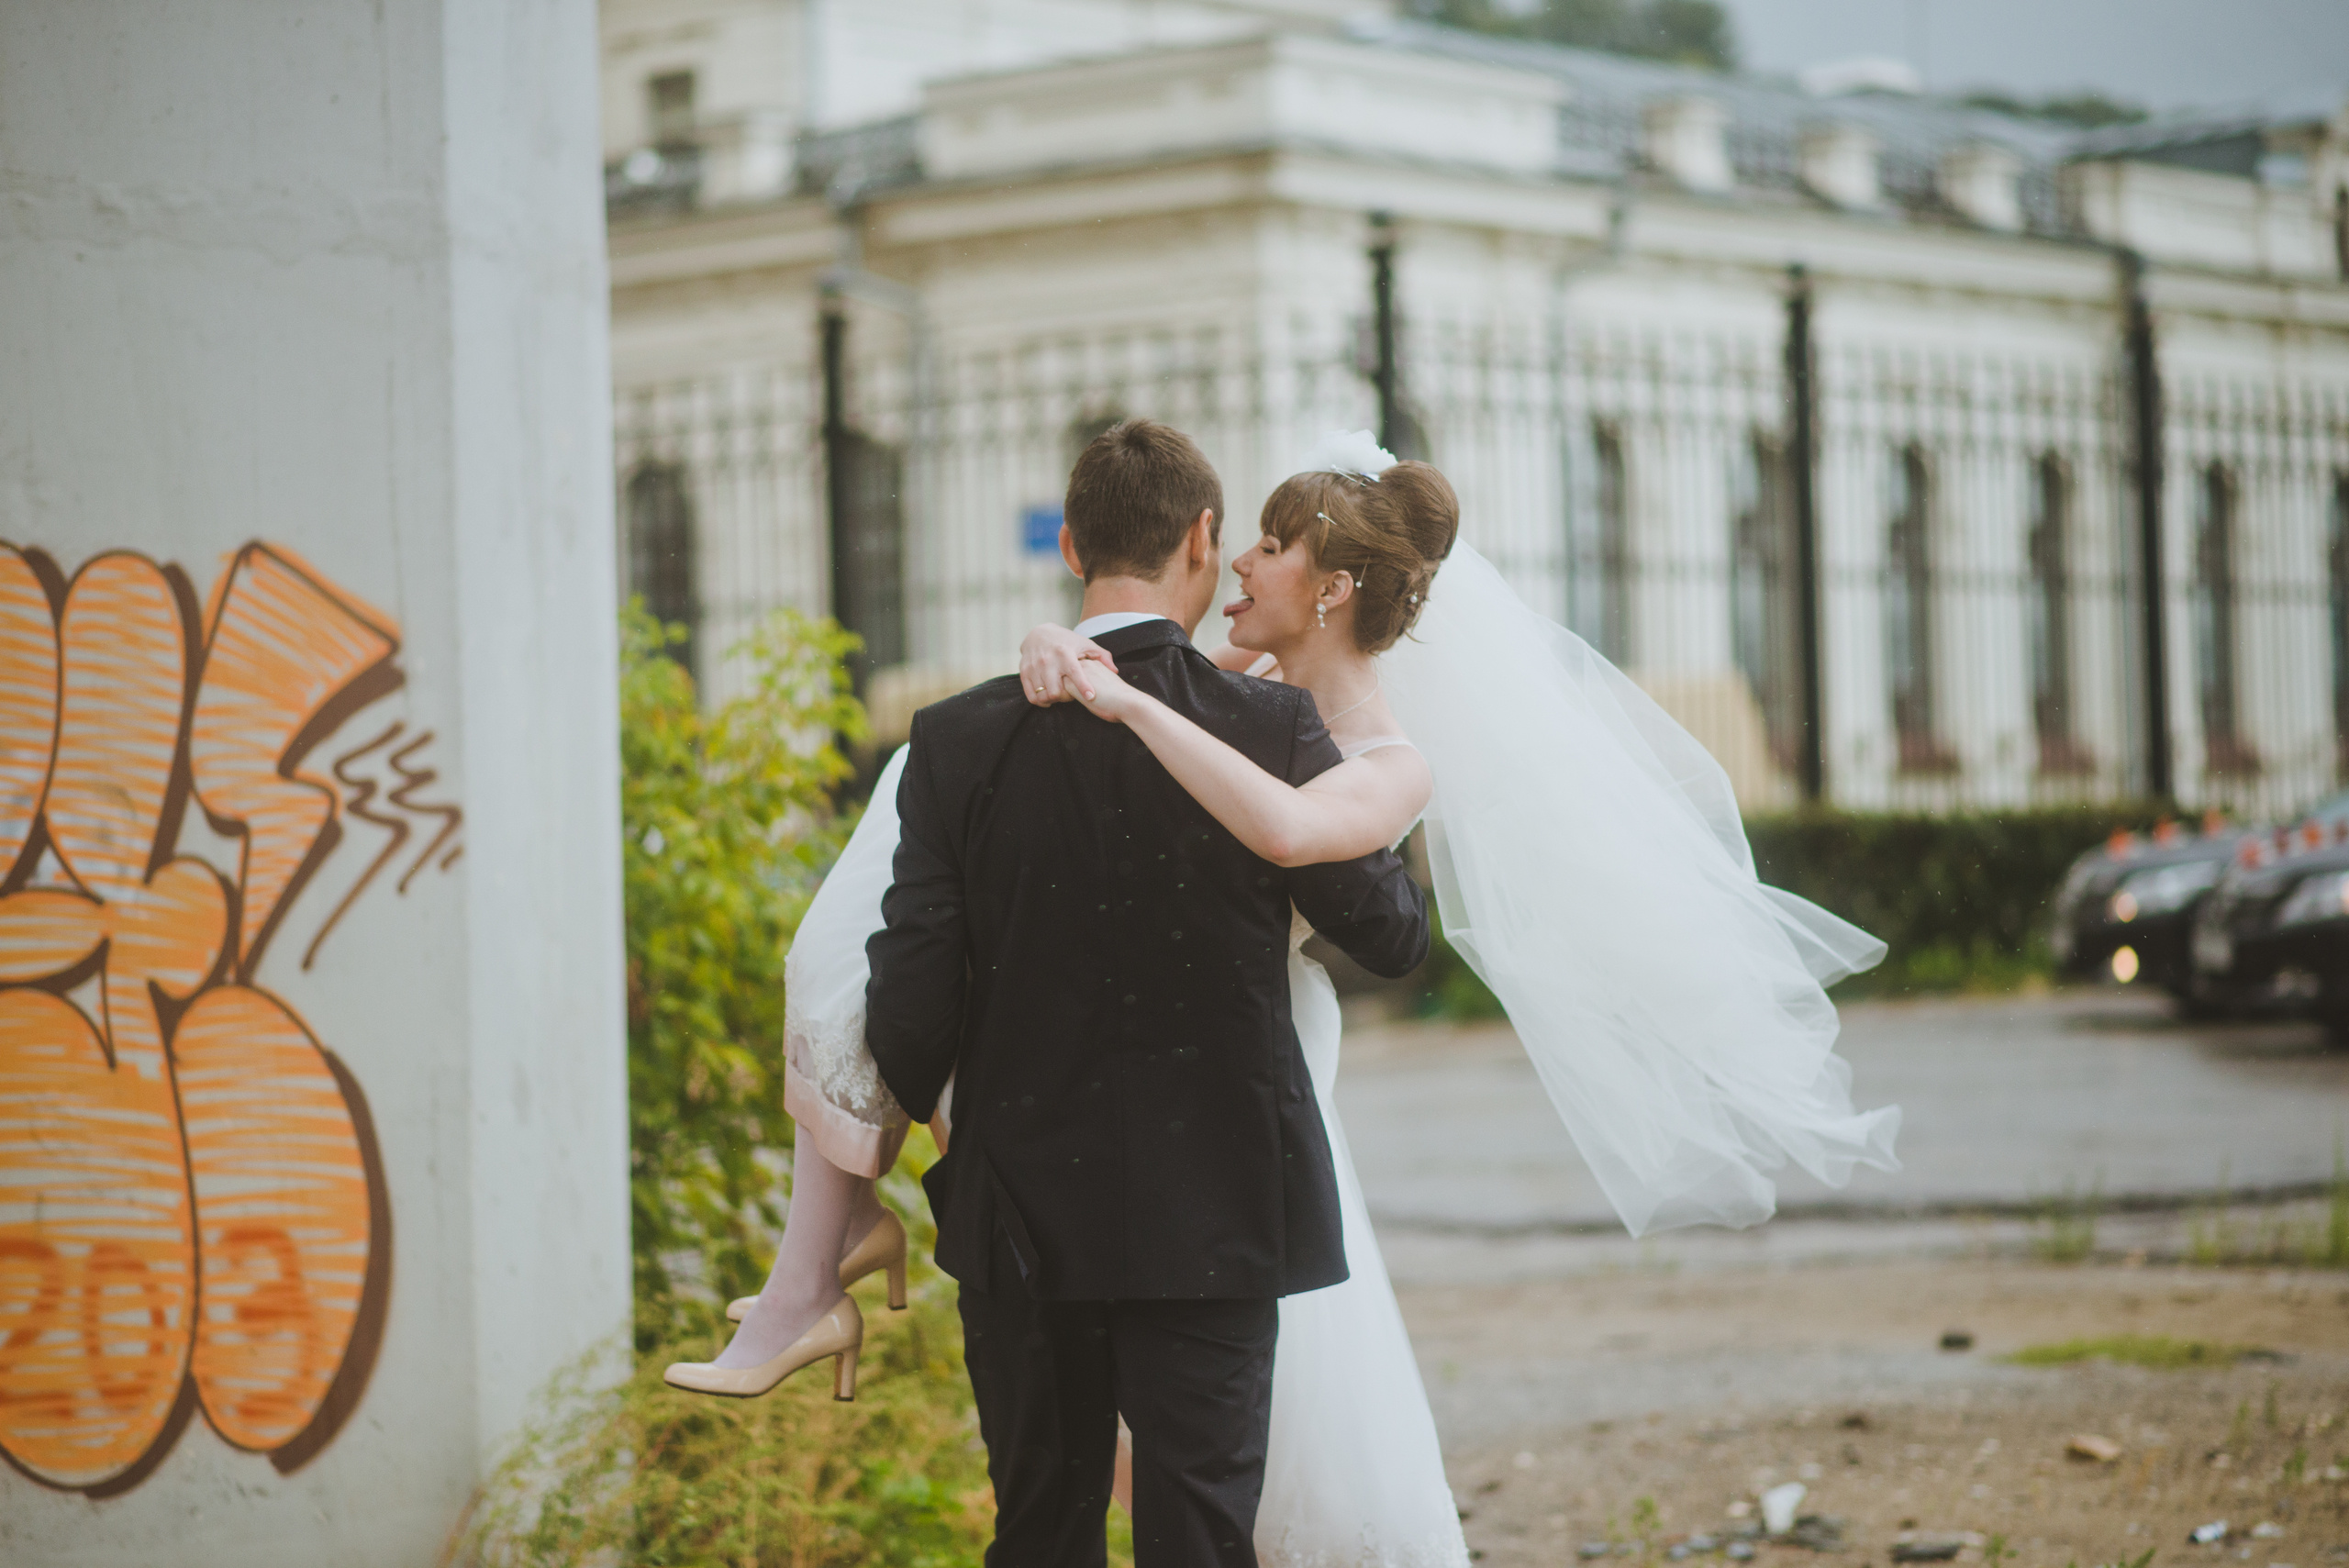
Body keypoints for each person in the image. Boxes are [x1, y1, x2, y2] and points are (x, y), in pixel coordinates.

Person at [667, 418, 1434, 1568]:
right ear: (1201, 536)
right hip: (1216, 1206)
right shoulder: (1270, 725)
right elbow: (1384, 933)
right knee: (1203, 1533)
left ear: (1071, 544)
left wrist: (939, 1114)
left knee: (1038, 1528)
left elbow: (910, 984)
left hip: (1020, 1208)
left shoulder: (959, 735)